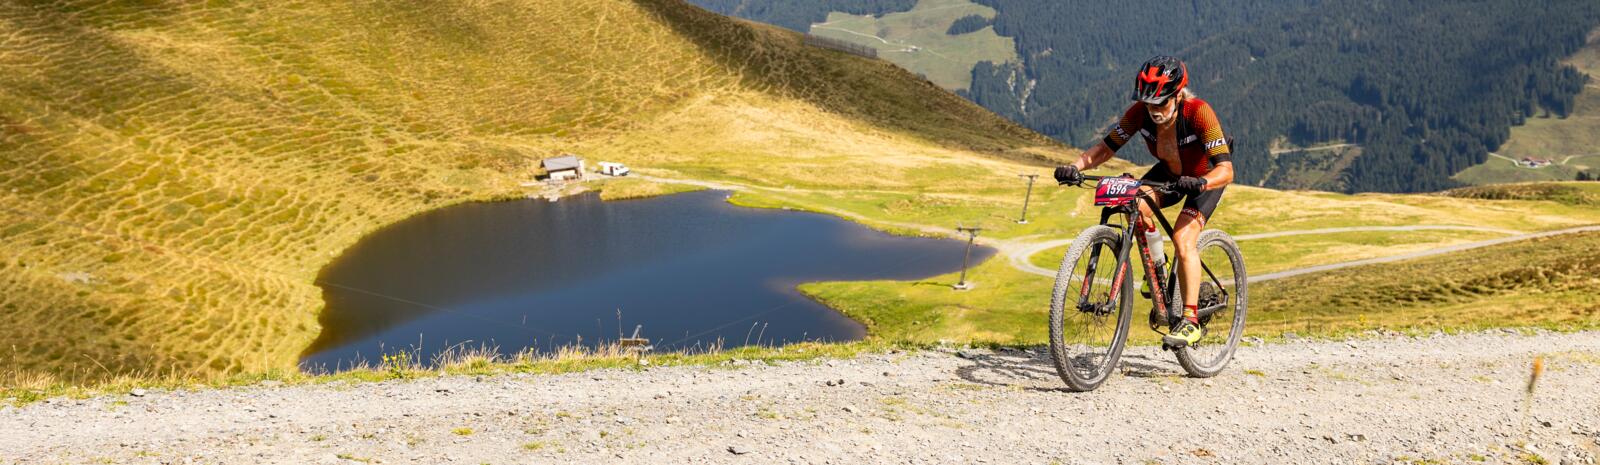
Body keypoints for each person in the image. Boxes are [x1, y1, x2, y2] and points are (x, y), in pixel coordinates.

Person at [1053, 55, 1235, 348]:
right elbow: (1105, 148)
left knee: (1183, 238)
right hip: (1170, 173)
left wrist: (1202, 181)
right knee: (1135, 202)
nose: (1154, 111)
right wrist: (1075, 167)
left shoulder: (1199, 113)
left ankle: (1190, 321)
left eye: (1160, 103)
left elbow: (1226, 170)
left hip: (1204, 177)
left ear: (1178, 95)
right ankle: (1159, 277)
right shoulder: (1139, 113)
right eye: (1148, 103)